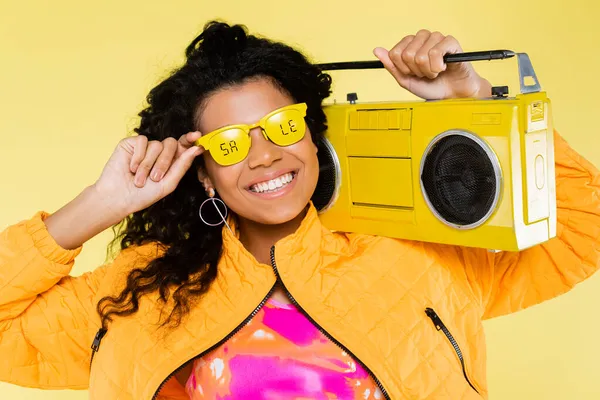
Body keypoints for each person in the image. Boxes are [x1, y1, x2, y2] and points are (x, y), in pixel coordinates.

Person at [0, 21, 598, 400]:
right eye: (231, 144)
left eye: (282, 127)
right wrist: (101, 204)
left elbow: (582, 228)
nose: (263, 156)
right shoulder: (142, 287)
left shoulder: (412, 255)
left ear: (313, 136)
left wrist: (474, 104)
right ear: (202, 170)